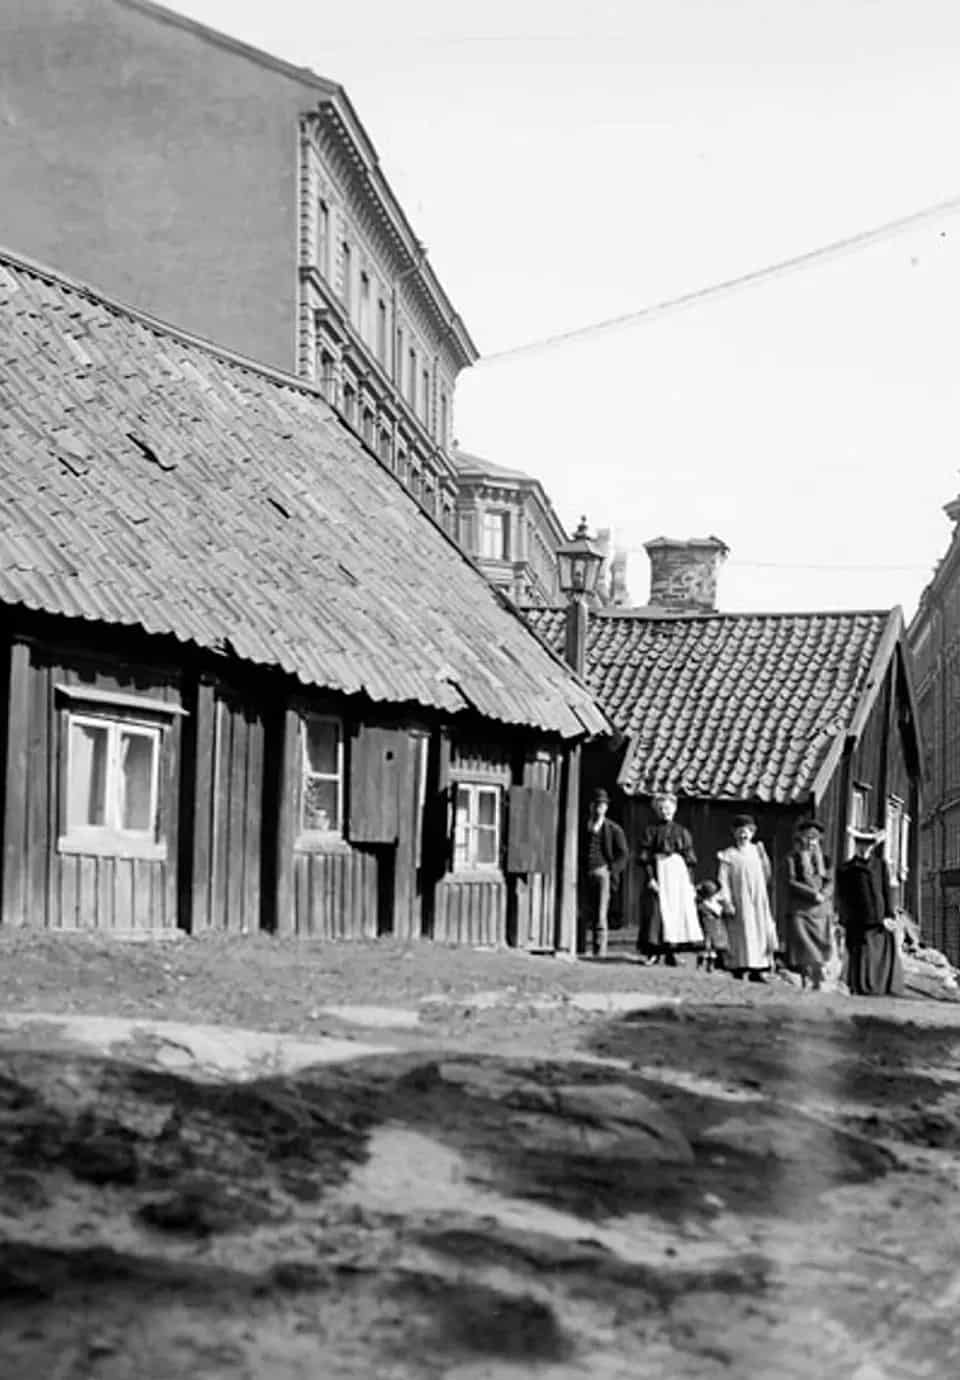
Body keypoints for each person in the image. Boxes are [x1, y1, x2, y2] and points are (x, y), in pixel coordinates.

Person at [835, 826, 905, 997]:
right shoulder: (846, 869)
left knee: (881, 954)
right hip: (859, 920)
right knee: (862, 954)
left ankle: (882, 987)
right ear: (855, 844)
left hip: (880, 917)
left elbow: (886, 891)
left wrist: (890, 914)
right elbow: (842, 897)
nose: (864, 847)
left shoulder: (880, 866)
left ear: (873, 846)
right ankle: (861, 987)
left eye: (868, 844)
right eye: (861, 843)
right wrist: (844, 919)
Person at [636, 792, 703, 965]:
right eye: (661, 809)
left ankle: (672, 953)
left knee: (676, 912)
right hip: (659, 872)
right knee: (656, 912)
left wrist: (689, 882)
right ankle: (653, 953)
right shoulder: (650, 831)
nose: (665, 811)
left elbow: (689, 860)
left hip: (677, 874)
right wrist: (651, 878)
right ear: (657, 811)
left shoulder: (682, 832)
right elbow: (645, 858)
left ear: (674, 809)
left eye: (668, 808)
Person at [717, 814, 777, 982]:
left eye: (747, 832)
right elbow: (723, 879)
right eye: (740, 832)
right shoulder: (729, 855)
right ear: (734, 833)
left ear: (752, 833)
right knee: (741, 931)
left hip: (758, 898)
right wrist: (727, 901)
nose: (743, 836)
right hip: (739, 898)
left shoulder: (757, 851)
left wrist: (764, 857)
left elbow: (767, 874)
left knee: (759, 930)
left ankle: (758, 968)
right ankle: (740, 967)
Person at [784, 818, 835, 990]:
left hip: (821, 910)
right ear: (801, 838)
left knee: (821, 944)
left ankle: (818, 975)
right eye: (807, 837)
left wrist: (824, 894)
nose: (810, 842)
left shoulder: (826, 859)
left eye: (814, 838)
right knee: (805, 945)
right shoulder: (792, 857)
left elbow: (830, 880)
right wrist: (813, 894)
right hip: (801, 909)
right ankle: (805, 975)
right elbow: (790, 881)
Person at [580, 787, 628, 959]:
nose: (598, 808)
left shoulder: (613, 829)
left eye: (602, 805)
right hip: (585, 872)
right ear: (591, 807)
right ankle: (581, 948)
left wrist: (611, 869)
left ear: (606, 808)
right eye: (596, 805)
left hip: (602, 872)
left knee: (601, 914)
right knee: (584, 911)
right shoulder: (584, 826)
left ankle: (600, 952)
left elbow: (623, 854)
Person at [695, 879, 728, 973]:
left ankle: (709, 966)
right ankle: (701, 965)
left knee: (711, 949)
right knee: (705, 948)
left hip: (713, 929)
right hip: (707, 929)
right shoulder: (704, 904)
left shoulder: (713, 903)